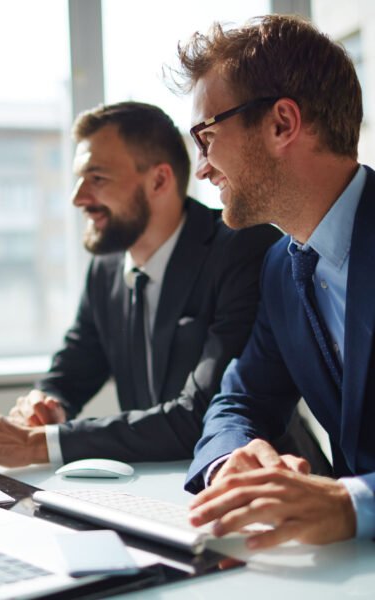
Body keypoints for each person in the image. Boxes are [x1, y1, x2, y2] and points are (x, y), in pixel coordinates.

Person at [0, 100, 295, 469]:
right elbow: (76, 363)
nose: (78, 198)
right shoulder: (106, 268)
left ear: (160, 180)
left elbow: (203, 416)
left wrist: (37, 445)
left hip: (259, 483)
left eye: (97, 179)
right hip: (147, 481)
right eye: (79, 179)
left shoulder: (243, 249)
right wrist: (46, 402)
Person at [171, 14, 375, 549]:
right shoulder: (283, 268)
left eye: (206, 136)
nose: (202, 169)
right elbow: (239, 401)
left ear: (283, 123)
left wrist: (357, 502)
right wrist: (229, 463)